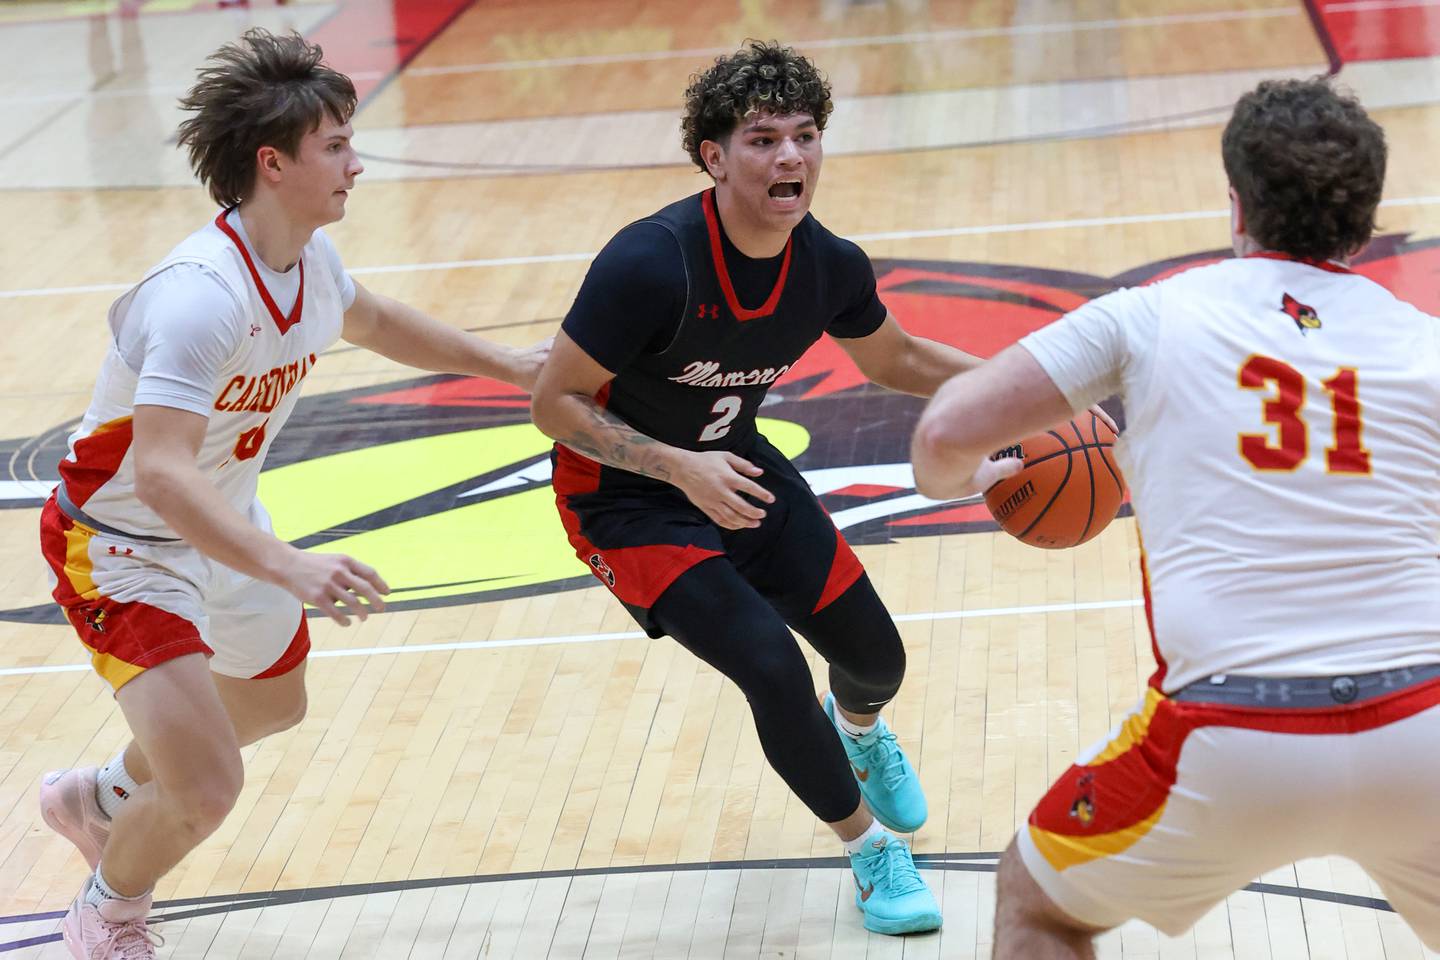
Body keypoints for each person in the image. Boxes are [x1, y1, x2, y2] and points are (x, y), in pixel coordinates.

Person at [530, 40, 1108, 936]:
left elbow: (901, 357)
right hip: (625, 498)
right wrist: (678, 466)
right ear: (713, 158)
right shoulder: (651, 263)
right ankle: (869, 849)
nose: (790, 157)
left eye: (804, 136)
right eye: (762, 140)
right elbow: (553, 402)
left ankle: (862, 735)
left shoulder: (828, 264)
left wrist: (1039, 394)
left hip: (739, 464)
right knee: (769, 665)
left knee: (877, 661)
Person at [36, 28, 547, 959]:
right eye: (338, 146)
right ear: (273, 164)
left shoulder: (308, 262)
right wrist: (288, 563)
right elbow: (158, 470)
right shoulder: (199, 293)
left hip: (222, 523)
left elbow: (379, 319)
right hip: (119, 545)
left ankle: (98, 798)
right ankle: (107, 914)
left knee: (271, 705)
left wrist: (513, 365)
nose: (358, 163)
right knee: (205, 788)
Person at [911, 77, 1440, 957]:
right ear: (1368, 217)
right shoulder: (1426, 344)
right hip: (1425, 724)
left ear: (1236, 203)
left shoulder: (1150, 315)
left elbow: (945, 431)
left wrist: (967, 483)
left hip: (1230, 741)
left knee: (1035, 902)